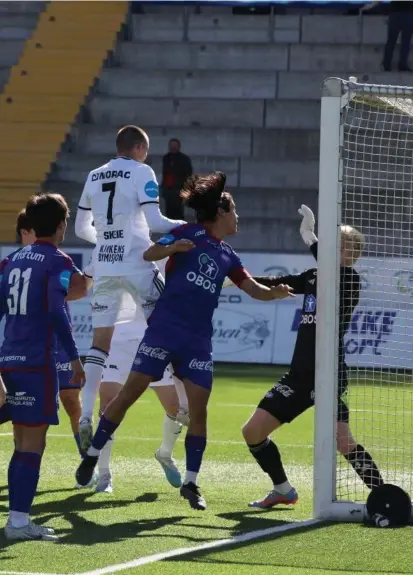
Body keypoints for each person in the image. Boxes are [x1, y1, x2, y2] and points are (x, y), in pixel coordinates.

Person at [75, 171, 294, 510]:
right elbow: (149, 254)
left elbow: (252, 288)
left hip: (197, 341)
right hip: (163, 329)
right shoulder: (186, 233)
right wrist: (172, 247)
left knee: (198, 413)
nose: (238, 218)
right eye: (234, 210)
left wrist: (275, 293)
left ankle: (191, 484)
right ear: (220, 212)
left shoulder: (229, 256)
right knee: (128, 394)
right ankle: (92, 456)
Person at [241, 205, 383, 509]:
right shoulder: (313, 276)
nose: (336, 249)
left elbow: (330, 265)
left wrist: (308, 236)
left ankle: (383, 496)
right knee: (252, 431)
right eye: (335, 243)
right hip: (300, 375)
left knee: (343, 442)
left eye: (344, 246)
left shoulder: (349, 280)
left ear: (353, 255)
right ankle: (283, 489)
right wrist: (237, 279)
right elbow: (279, 282)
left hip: (330, 374)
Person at [74, 125, 186, 451]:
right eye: (145, 150)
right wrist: (191, 227)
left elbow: (82, 228)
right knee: (167, 325)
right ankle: (180, 395)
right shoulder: (142, 171)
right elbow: (156, 223)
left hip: (106, 267)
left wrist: (109, 238)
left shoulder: (94, 175)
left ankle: (86, 415)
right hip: (137, 265)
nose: (146, 155)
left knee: (99, 345)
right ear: (138, 148)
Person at [0, 194, 86, 541]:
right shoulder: (59, 261)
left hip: (8, 361)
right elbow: (56, 309)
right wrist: (75, 356)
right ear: (62, 225)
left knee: (22, 441)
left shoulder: (10, 261)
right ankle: (19, 523)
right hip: (38, 363)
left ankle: (17, 519)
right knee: (31, 444)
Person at [82, 261, 189, 494]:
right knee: (108, 406)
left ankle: (165, 454)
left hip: (153, 341)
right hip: (116, 342)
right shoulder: (107, 253)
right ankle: (105, 475)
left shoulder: (162, 257)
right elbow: (83, 283)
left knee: (177, 408)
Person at [14, 210, 89, 476]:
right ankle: (23, 466)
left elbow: (80, 287)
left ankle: (87, 458)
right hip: (28, 348)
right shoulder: (14, 262)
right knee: (21, 411)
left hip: (58, 342)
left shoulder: (58, 260)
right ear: (25, 233)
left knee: (71, 399)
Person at [161, 138, 193, 220]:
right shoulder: (166, 158)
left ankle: (179, 231)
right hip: (168, 190)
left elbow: (189, 175)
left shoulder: (185, 159)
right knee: (169, 213)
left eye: (175, 146)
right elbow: (164, 174)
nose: (173, 147)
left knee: (178, 213)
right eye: (171, 146)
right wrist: (163, 187)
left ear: (179, 147)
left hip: (179, 190)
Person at [381, 1, 413, 71]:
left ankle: (386, 64)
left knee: (391, 41)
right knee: (406, 42)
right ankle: (402, 64)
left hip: (395, 13)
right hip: (409, 13)